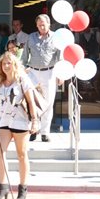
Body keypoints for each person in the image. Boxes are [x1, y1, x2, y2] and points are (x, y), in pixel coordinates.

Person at [0, 52, 40, 199]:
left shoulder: (22, 80)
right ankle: (2, 187)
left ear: (14, 65)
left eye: (8, 63)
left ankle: (23, 188)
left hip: (20, 120)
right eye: (3, 63)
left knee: (22, 154)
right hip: (3, 121)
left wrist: (34, 121)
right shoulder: (0, 82)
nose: (6, 66)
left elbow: (31, 101)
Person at [21, 14, 59, 142]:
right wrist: (22, 70)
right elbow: (24, 56)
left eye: (43, 24)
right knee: (31, 101)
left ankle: (45, 132)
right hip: (33, 72)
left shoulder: (56, 37)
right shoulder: (31, 37)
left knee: (48, 102)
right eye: (39, 25)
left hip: (50, 72)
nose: (41, 27)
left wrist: (60, 75)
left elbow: (60, 57)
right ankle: (33, 129)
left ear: (49, 24)